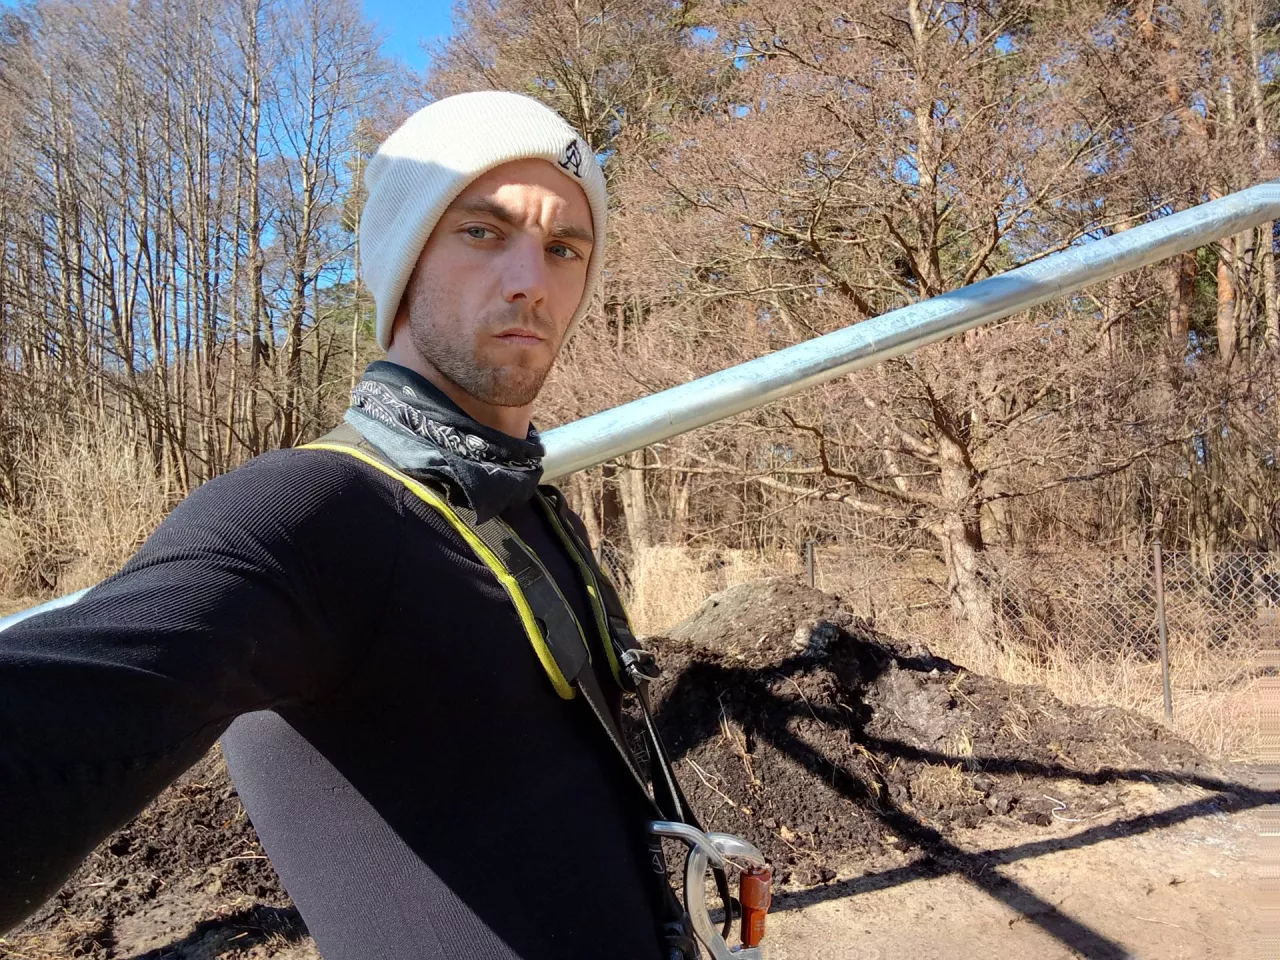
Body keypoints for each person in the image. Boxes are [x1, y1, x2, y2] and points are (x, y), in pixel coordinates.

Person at [0, 92, 688, 960]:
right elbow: (61, 708)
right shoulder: (311, 511)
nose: (531, 281)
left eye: (564, 249)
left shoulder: (521, 503)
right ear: (403, 257)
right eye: (482, 231)